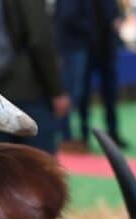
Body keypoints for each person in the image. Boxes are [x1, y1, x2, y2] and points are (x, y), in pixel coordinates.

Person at [0, 0, 70, 154]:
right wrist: (57, 91)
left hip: (0, 84)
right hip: (29, 88)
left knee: (10, 161)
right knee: (40, 165)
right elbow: (40, 42)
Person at [81, 0, 128, 149]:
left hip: (107, 48)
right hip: (86, 48)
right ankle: (83, 137)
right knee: (82, 95)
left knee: (110, 94)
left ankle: (113, 134)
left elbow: (116, 12)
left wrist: (118, 20)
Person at [55, 0, 94, 151]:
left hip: (71, 46)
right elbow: (68, 17)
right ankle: (65, 136)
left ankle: (67, 134)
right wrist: (91, 28)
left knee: (72, 92)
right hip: (73, 47)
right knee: (71, 92)